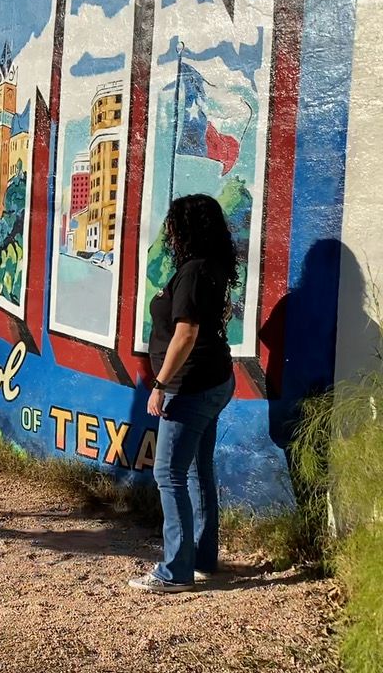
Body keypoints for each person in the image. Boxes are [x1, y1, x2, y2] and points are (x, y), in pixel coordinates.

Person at [129, 193, 240, 593]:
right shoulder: (211, 266)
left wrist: (160, 385)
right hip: (214, 381)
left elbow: (187, 333)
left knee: (168, 473)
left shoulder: (194, 271)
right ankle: (203, 558)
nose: (169, 230)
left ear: (187, 228)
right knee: (196, 469)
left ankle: (175, 570)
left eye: (173, 223)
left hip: (190, 386)